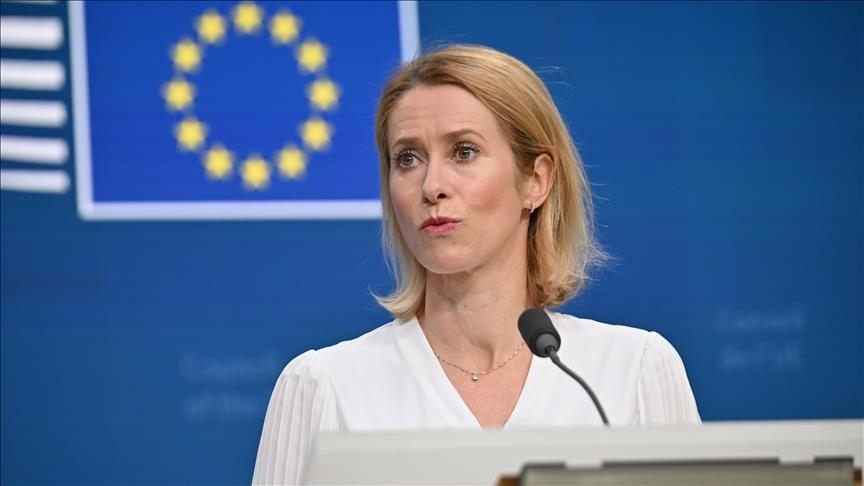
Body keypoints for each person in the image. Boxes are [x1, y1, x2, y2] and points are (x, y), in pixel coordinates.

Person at [251, 44, 700, 485]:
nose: (432, 185)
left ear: (536, 180)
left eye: (464, 151)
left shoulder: (632, 373)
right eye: (408, 159)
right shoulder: (326, 386)